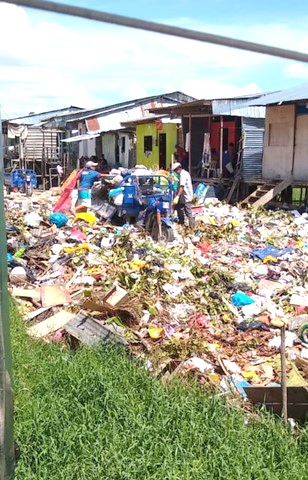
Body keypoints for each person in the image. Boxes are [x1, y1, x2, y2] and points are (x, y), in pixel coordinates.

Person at [172, 162, 195, 229]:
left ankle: (192, 227)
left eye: (176, 171)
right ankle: (181, 222)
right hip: (182, 196)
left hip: (186, 195)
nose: (176, 173)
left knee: (188, 211)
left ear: (178, 169)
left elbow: (182, 187)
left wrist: (177, 196)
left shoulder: (183, 174)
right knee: (179, 208)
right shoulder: (183, 174)